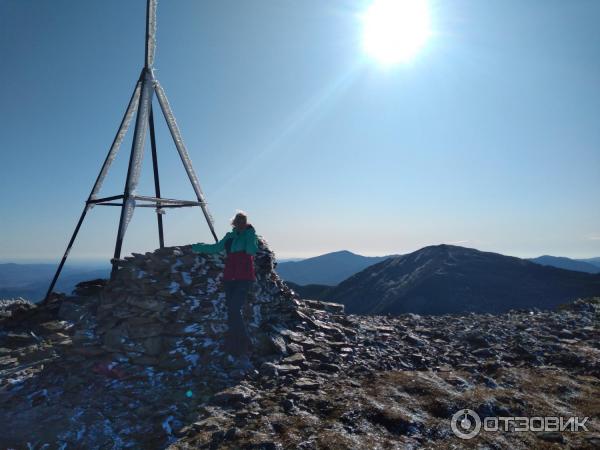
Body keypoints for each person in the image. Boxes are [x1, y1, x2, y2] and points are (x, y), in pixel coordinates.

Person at [191, 211, 258, 359]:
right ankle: (235, 344)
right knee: (231, 310)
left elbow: (251, 250)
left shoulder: (250, 235)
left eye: (243, 221)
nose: (240, 223)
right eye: (238, 221)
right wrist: (197, 247)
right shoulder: (229, 236)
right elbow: (216, 248)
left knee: (234, 309)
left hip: (244, 277)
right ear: (234, 223)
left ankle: (245, 342)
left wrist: (248, 234)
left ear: (246, 222)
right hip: (230, 278)